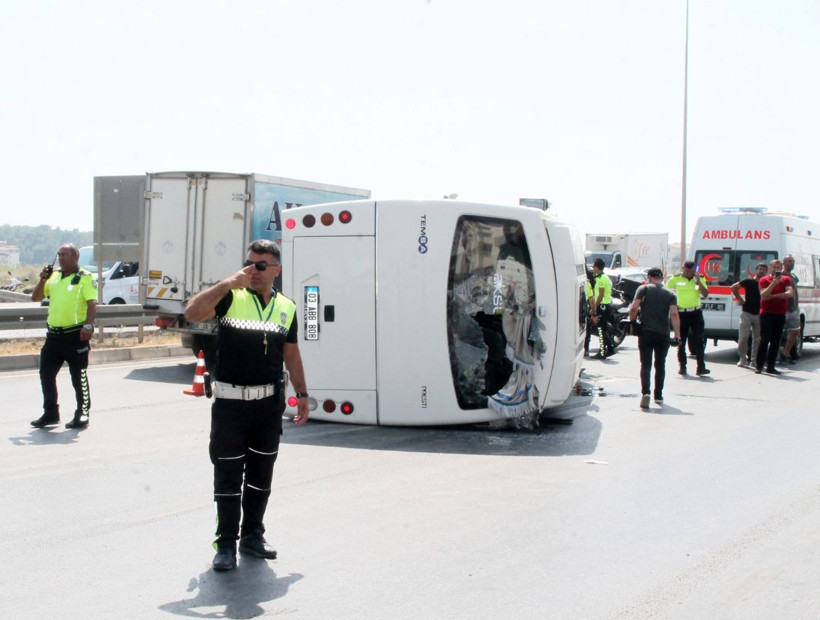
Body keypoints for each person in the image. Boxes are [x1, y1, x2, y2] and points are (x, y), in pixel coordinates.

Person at [184, 239, 309, 572]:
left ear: (276, 270)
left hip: (268, 406)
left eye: (262, 265)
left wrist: (304, 395)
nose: (254, 270)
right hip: (230, 405)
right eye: (250, 263)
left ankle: (252, 534)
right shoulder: (231, 297)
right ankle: (225, 544)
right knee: (228, 477)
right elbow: (192, 313)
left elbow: (292, 354)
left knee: (260, 477)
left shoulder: (287, 307)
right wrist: (228, 282)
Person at [30, 244, 97, 429]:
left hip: (75, 335)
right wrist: (42, 279)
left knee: (79, 376)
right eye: (59, 254)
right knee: (46, 373)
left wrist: (89, 325)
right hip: (54, 337)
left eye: (65, 254)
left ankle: (82, 413)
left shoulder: (85, 277)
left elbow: (92, 303)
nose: (61, 258)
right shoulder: (53, 277)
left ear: (76, 256)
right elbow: (35, 298)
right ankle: (51, 413)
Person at [629, 267, 681, 409]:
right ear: (662, 278)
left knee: (645, 364)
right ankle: (658, 395)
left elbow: (633, 308)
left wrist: (632, 322)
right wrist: (677, 334)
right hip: (663, 334)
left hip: (646, 332)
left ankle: (646, 392)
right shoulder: (670, 293)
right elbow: (675, 314)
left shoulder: (643, 289)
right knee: (660, 364)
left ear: (649, 277)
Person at [666, 260, 710, 376]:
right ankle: (682, 367)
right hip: (681, 313)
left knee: (699, 340)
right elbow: (666, 290)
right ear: (683, 268)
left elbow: (705, 294)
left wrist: (698, 281)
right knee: (681, 341)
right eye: (687, 270)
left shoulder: (700, 277)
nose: (690, 273)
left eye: (692, 271)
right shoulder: (676, 278)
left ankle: (701, 367)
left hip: (696, 313)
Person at [755, 258, 792, 375]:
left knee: (776, 341)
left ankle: (771, 366)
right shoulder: (764, 280)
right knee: (764, 339)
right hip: (766, 313)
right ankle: (759, 366)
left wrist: (774, 296)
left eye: (778, 268)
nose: (776, 270)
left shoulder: (786, 279)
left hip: (780, 313)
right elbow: (764, 295)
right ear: (770, 268)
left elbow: (789, 293)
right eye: (774, 267)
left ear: (781, 268)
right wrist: (773, 283)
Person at [730, 262, 767, 367]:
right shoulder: (748, 281)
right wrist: (740, 299)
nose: (762, 271)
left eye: (764, 269)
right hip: (746, 312)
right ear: (756, 270)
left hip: (760, 313)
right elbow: (733, 287)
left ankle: (754, 360)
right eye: (760, 269)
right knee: (743, 337)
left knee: (757, 339)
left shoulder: (766, 284)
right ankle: (742, 358)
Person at [591, 258, 615, 358]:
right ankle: (609, 348)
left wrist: (594, 307)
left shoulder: (601, 279)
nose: (592, 268)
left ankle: (603, 352)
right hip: (606, 305)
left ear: (597, 267)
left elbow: (600, 295)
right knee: (603, 328)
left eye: (593, 266)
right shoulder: (605, 277)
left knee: (601, 329)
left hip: (603, 306)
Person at [780, 254, 800, 364]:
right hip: (783, 309)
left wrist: (797, 305)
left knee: (795, 331)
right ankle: (778, 356)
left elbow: (795, 292)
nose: (791, 263)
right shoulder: (780, 276)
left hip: (793, 309)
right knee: (779, 333)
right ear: (784, 263)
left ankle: (786, 354)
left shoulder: (793, 277)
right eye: (789, 261)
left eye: (793, 261)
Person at [583, 269, 595, 356]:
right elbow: (591, 300)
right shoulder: (587, 283)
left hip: (576, 312)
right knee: (587, 329)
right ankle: (586, 348)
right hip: (583, 312)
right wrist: (594, 312)